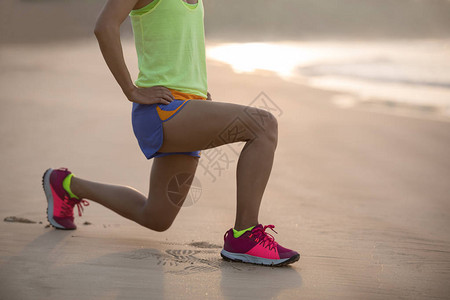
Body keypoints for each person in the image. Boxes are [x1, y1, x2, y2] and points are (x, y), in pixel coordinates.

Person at [42, 0, 299, 266]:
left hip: (189, 109)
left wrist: (198, 93)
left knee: (156, 217)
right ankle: (245, 235)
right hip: (162, 111)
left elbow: (182, 50)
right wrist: (131, 89)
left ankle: (66, 185)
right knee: (263, 124)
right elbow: (104, 26)